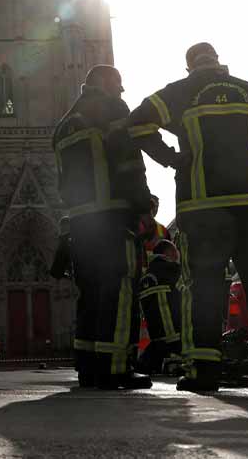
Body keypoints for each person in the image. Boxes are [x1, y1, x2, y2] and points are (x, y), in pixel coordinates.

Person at [126, 43, 248, 392]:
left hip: (203, 207)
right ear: (218, 61)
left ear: (189, 66)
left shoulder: (181, 91)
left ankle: (204, 370)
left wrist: (170, 158)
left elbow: (136, 123)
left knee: (203, 288)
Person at [53, 65, 154, 390]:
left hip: (81, 224)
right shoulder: (111, 109)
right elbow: (129, 162)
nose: (121, 91)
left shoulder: (64, 125)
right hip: (113, 217)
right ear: (104, 83)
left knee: (90, 294)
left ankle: (88, 368)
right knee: (119, 290)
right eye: (118, 84)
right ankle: (115, 367)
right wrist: (143, 206)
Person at [137, 239, 183, 374]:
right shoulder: (172, 269)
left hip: (156, 335)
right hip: (176, 335)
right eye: (175, 251)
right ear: (169, 252)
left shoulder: (148, 274)